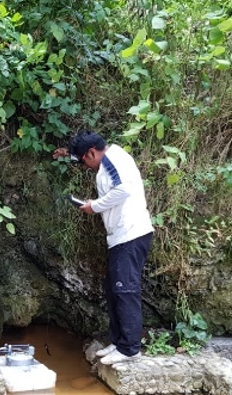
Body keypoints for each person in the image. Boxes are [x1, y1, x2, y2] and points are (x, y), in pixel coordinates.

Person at [53, 131, 155, 365]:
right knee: (113, 290)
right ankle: (119, 342)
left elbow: (123, 189)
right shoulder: (105, 157)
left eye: (84, 161)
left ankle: (130, 348)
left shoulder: (113, 160)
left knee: (125, 290)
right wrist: (67, 154)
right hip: (120, 237)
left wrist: (94, 206)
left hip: (131, 234)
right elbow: (86, 156)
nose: (85, 167)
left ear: (92, 153)